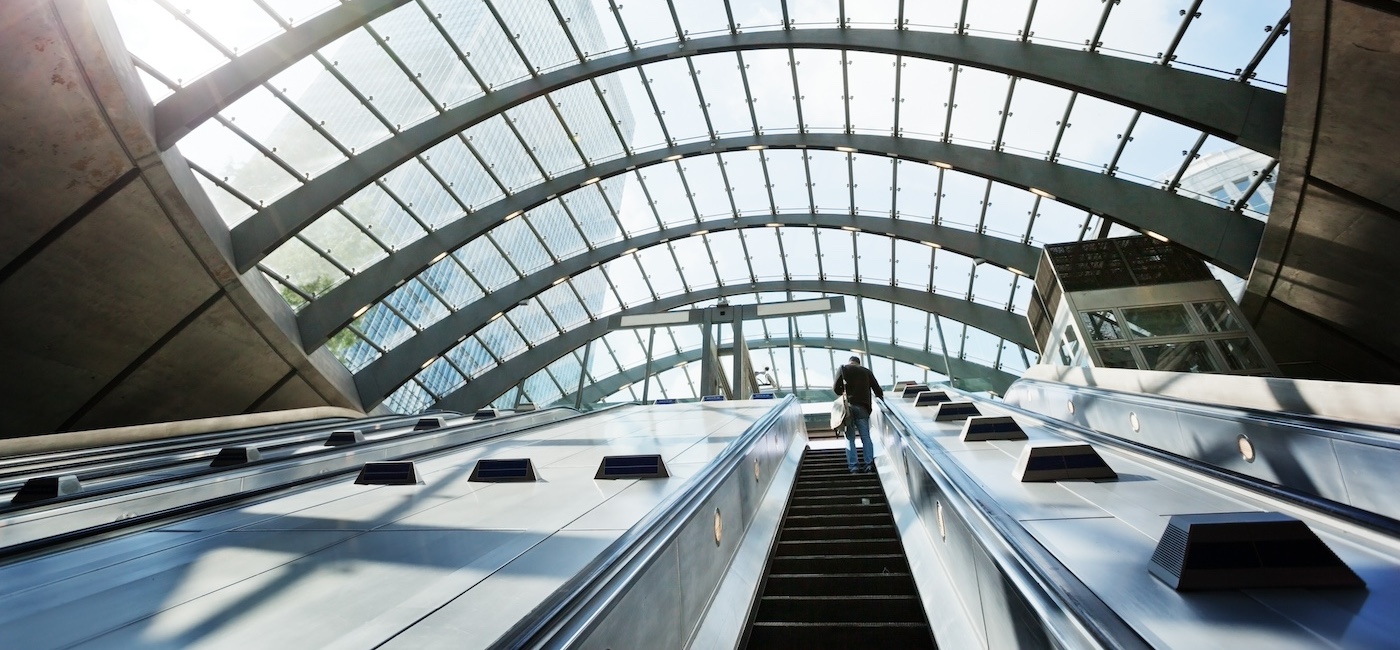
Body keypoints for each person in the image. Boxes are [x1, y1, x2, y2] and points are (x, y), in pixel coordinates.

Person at [833, 356, 883, 473]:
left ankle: (853, 467)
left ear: (849, 361)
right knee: (866, 437)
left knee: (850, 438)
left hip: (848, 408)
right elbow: (878, 390)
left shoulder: (843, 369)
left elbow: (835, 389)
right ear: (859, 363)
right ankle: (869, 464)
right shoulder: (866, 372)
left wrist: (844, 392)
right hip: (863, 408)